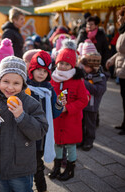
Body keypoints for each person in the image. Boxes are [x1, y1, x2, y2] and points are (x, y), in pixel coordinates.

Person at [0, 56, 48, 192]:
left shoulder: (31, 104)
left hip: (22, 167)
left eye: (16, 83)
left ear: (23, 84)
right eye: (5, 81)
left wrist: (22, 116)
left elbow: (40, 131)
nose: (10, 87)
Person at [49, 39, 89, 181]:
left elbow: (84, 100)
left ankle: (70, 169)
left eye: (67, 64)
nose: (64, 66)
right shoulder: (53, 78)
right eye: (61, 63)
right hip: (57, 119)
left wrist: (68, 108)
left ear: (73, 65)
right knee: (57, 144)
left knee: (70, 146)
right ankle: (56, 166)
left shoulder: (77, 80)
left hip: (71, 119)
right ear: (57, 62)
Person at [27, 50, 66, 192]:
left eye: (44, 71)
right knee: (27, 165)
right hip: (26, 133)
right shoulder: (25, 87)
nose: (41, 73)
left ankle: (42, 190)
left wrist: (59, 105)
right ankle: (27, 189)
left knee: (37, 165)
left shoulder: (49, 89)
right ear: (32, 69)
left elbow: (54, 114)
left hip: (41, 136)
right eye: (38, 69)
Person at [79, 40, 107, 151]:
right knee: (81, 123)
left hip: (92, 105)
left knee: (90, 124)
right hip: (83, 104)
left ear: (93, 66)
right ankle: (81, 140)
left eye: (85, 66)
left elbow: (98, 90)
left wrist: (84, 83)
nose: (83, 68)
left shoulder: (99, 76)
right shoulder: (85, 74)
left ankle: (89, 141)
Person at [106, 6, 125, 135]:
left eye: (120, 16)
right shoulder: (122, 31)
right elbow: (120, 51)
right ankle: (124, 123)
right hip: (121, 68)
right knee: (124, 98)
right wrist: (111, 60)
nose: (118, 19)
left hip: (124, 69)